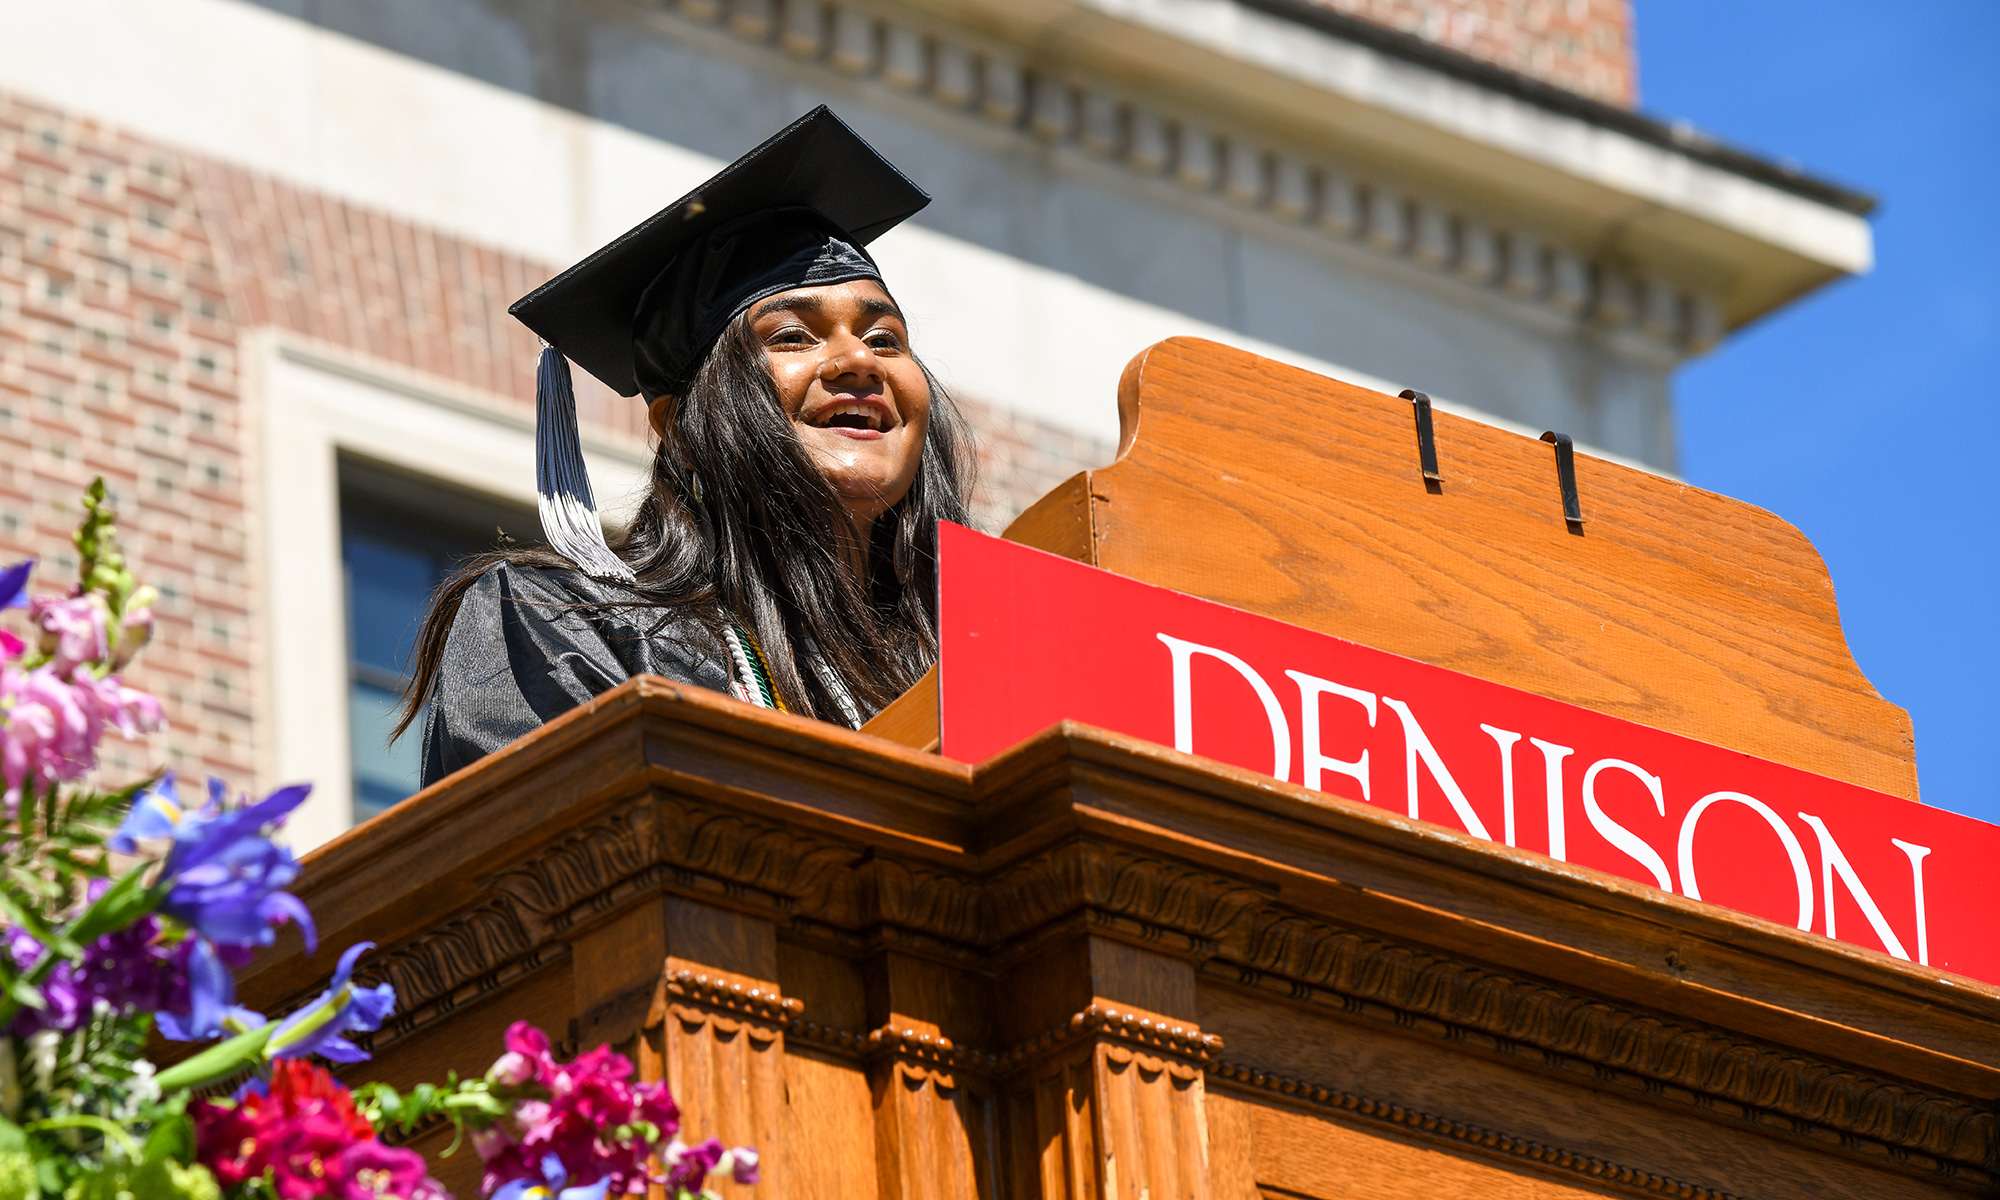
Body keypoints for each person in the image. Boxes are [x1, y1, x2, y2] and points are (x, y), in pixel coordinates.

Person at [397, 108, 975, 785]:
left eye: (885, 340)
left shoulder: (976, 663)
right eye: (792, 337)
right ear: (682, 429)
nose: (859, 361)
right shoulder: (573, 627)